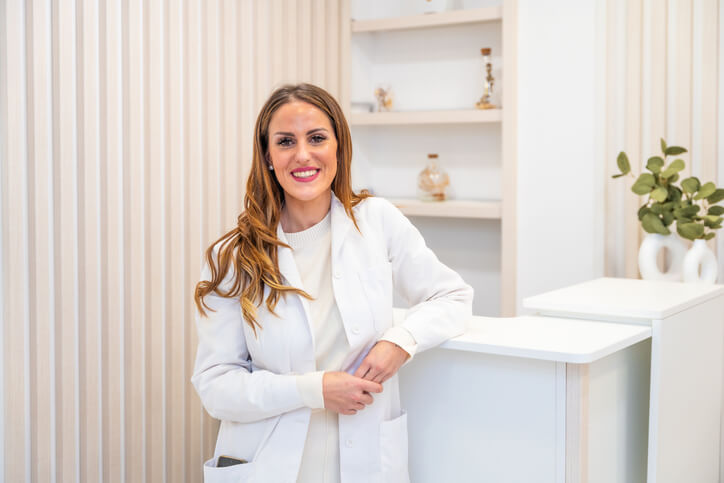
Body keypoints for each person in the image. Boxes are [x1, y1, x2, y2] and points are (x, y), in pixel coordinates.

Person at [192, 83, 473, 483]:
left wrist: (401, 341)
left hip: (366, 463)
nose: (303, 155)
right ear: (268, 156)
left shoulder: (377, 221)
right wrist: (315, 390)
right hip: (271, 465)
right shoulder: (233, 256)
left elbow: (453, 296)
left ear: (338, 147)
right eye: (285, 141)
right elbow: (216, 388)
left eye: (317, 138)